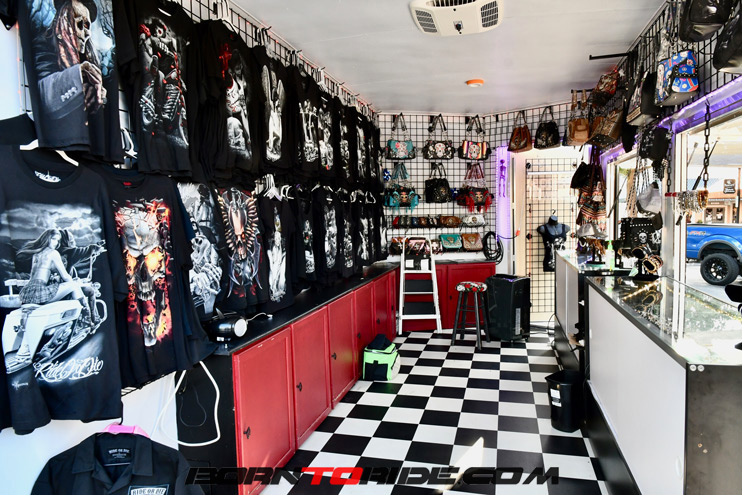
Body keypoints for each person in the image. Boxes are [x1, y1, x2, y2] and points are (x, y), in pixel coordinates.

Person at [10, 229, 99, 366]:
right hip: (40, 292)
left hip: (28, 293)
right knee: (73, 286)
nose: (56, 243)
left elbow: (36, 275)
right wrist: (76, 282)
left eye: (58, 240)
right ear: (47, 239)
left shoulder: (37, 254)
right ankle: (88, 319)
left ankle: (23, 352)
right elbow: (66, 276)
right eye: (54, 239)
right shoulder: (53, 253)